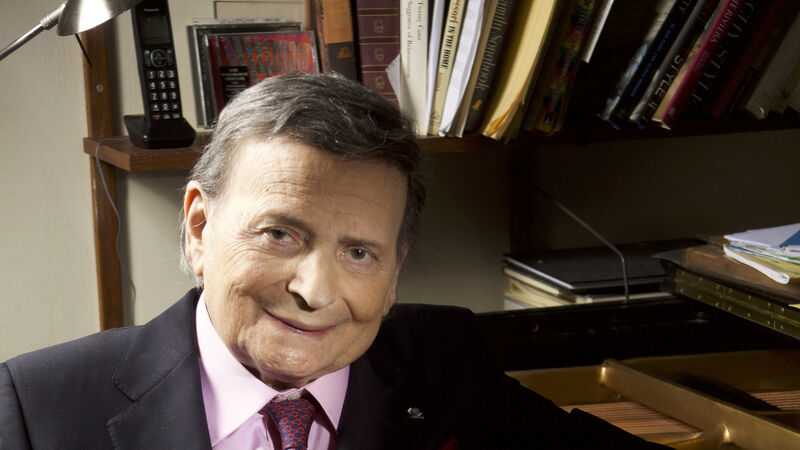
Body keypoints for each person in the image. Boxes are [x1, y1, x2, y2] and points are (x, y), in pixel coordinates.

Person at [0, 73, 663, 449]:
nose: (317, 291)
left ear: (396, 270)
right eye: (280, 234)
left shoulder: (444, 362)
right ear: (199, 227)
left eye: (359, 252)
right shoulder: (37, 408)